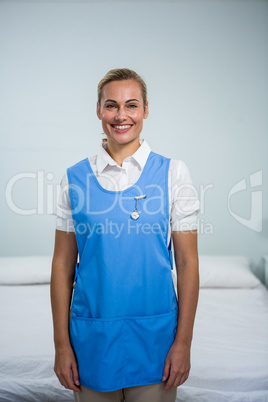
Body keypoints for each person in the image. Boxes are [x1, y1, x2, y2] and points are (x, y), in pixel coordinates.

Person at [50, 68, 200, 402]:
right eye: (111, 105)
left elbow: (187, 262)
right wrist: (61, 345)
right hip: (92, 337)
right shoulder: (73, 179)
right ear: (99, 111)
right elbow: (62, 264)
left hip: (157, 338)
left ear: (146, 110)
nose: (121, 116)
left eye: (131, 105)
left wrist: (184, 343)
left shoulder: (173, 173)